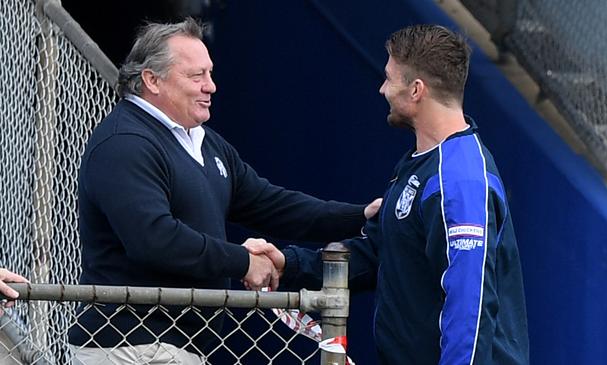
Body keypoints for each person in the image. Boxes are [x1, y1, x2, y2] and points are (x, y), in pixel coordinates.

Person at [68, 18, 380, 364]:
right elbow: (153, 239)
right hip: (132, 346)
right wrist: (243, 261)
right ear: (151, 80)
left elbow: (271, 204)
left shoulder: (206, 143)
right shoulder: (125, 143)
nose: (211, 86)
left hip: (182, 348)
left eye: (210, 73)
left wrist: (360, 217)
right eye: (196, 76)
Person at [247, 24, 529, 364]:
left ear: (416, 90)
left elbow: (470, 304)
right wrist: (289, 263)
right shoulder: (419, 164)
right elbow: (376, 255)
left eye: (389, 78)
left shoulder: (461, 177)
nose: (382, 89)